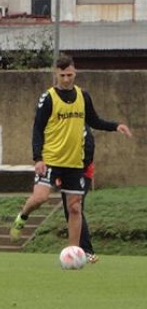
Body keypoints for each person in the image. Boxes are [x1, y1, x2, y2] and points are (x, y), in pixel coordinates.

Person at [10, 55, 132, 248]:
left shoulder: (83, 96)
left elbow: (94, 120)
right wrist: (38, 158)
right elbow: (37, 129)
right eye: (62, 75)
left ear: (75, 72)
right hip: (51, 160)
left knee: (75, 208)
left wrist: (116, 126)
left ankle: (74, 251)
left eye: (69, 75)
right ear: (56, 74)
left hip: (74, 162)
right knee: (40, 197)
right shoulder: (48, 98)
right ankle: (23, 215)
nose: (66, 79)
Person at [61, 128, 97, 263]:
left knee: (75, 208)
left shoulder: (81, 125)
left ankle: (87, 251)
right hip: (67, 172)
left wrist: (79, 168)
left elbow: (89, 147)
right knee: (69, 209)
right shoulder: (61, 125)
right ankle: (78, 250)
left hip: (82, 173)